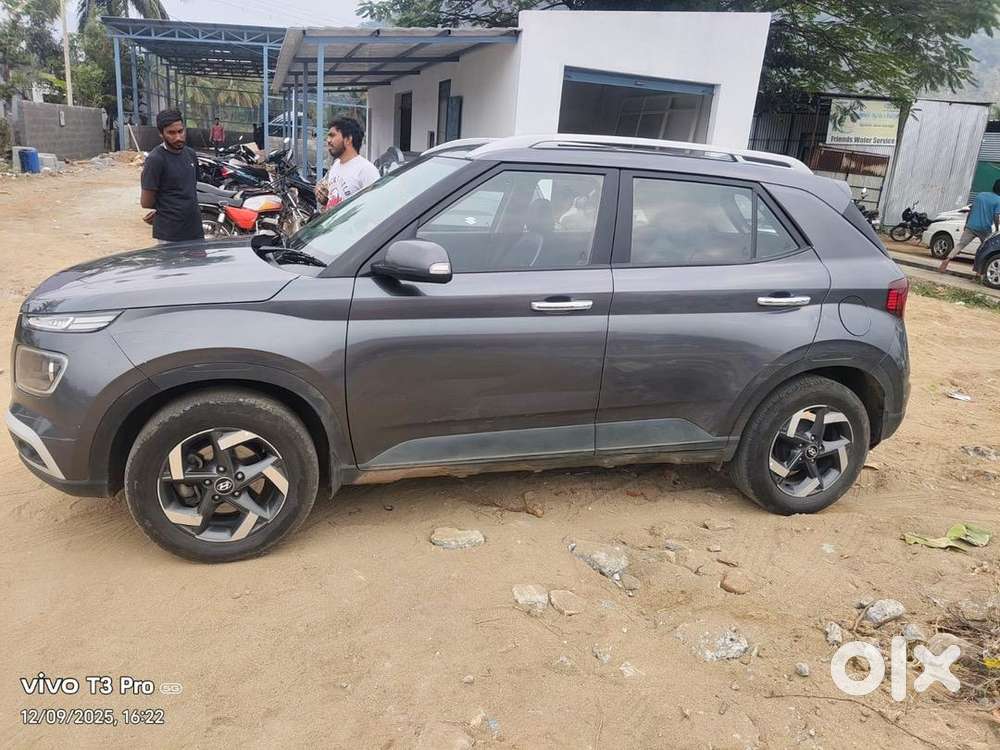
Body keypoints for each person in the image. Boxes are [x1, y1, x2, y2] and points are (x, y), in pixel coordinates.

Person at [140, 109, 204, 244]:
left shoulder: (191, 154)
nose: (178, 137)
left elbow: (191, 189)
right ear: (161, 134)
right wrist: (165, 208)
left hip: (195, 230)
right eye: (171, 133)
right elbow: (146, 202)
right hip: (170, 234)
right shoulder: (155, 159)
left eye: (180, 131)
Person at [315, 116, 379, 212]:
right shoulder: (336, 165)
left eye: (332, 135)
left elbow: (376, 207)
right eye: (328, 136)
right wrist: (325, 198)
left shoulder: (366, 170)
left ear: (348, 139)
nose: (328, 140)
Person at [939, 180, 1000, 274]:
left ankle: (947, 260)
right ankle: (978, 273)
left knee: (960, 245)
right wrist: (996, 228)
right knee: (985, 249)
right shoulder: (998, 200)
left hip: (971, 225)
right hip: (984, 228)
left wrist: (966, 224)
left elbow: (971, 211)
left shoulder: (980, 195)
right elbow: (996, 216)